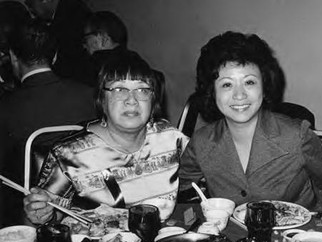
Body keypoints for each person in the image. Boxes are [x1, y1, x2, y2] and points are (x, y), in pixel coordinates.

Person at [23, 50, 188, 225]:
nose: (131, 100)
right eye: (118, 89)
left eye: (142, 89)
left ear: (153, 99)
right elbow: (48, 218)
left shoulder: (171, 138)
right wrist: (42, 213)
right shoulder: (69, 154)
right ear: (102, 99)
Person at [179, 31, 322, 211]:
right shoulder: (201, 143)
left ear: (264, 86)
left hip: (295, 235)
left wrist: (319, 226)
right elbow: (178, 188)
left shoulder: (297, 136)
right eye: (227, 84)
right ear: (212, 92)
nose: (239, 95)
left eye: (249, 82)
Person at [0, 19, 95, 226]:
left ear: (14, 58)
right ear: (54, 56)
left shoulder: (6, 108)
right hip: (87, 204)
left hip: (27, 212)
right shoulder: (90, 95)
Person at [82, 10, 169, 117]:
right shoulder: (139, 64)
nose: (84, 46)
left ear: (102, 38)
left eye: (86, 39)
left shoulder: (90, 68)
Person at [24, 0, 92, 84]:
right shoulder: (66, 12)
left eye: (30, 4)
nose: (31, 11)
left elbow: (68, 61)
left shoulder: (73, 18)